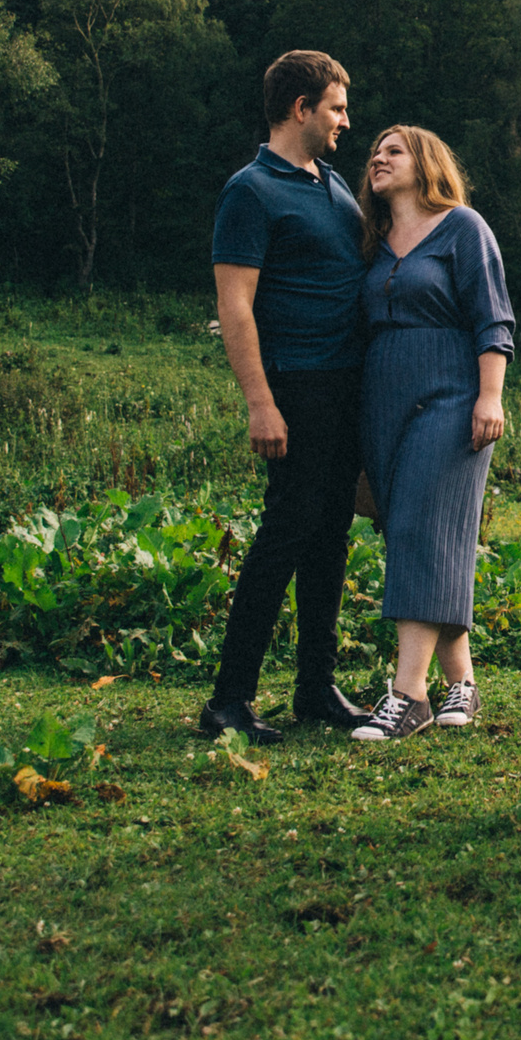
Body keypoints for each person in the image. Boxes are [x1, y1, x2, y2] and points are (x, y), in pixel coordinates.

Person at [201, 50, 374, 743]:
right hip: (294, 386)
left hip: (344, 387)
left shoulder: (331, 184)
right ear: (300, 107)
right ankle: (229, 698)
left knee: (330, 536)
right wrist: (260, 402)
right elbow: (235, 306)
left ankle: (314, 686)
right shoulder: (250, 190)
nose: (344, 120)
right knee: (286, 532)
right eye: (335, 107)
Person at [348, 125, 515, 742]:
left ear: (426, 162)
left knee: (421, 526)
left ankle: (407, 694)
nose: (378, 158)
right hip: (382, 403)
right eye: (375, 151)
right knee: (419, 538)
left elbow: (493, 318)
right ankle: (462, 687)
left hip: (451, 397)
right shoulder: (373, 241)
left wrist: (489, 397)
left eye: (393, 150)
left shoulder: (462, 228)